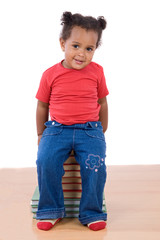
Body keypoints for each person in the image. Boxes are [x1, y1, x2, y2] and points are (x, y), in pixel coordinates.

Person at [35, 11, 109, 231]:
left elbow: (102, 102)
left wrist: (102, 130)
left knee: (95, 167)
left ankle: (91, 212)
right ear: (62, 43)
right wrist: (41, 134)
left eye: (89, 48)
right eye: (75, 46)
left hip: (90, 130)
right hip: (57, 130)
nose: (81, 54)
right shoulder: (50, 74)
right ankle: (50, 210)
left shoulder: (97, 72)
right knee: (45, 161)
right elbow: (42, 106)